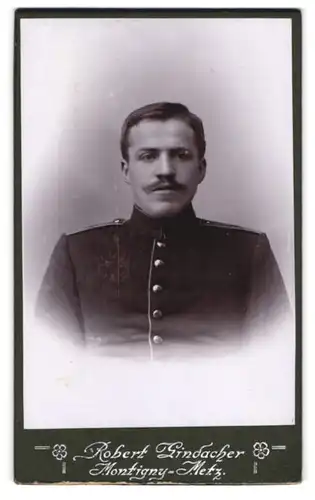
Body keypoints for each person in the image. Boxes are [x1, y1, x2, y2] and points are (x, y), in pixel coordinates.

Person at [36, 102, 290, 356]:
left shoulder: (248, 251)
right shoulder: (76, 252)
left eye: (181, 155)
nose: (166, 171)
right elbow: (51, 362)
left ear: (201, 169)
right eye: (148, 156)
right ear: (127, 170)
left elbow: (273, 362)